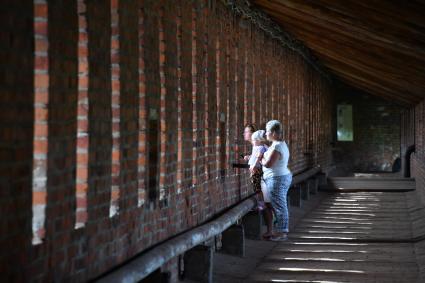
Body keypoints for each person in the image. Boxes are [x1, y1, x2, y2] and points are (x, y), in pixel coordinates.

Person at [261, 120, 292, 241]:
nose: (266, 134)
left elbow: (268, 164)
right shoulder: (277, 144)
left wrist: (261, 159)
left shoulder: (278, 146)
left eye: (267, 131)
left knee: (280, 206)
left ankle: (282, 233)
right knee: (278, 204)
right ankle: (276, 231)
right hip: (278, 177)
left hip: (277, 178)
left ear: (273, 132)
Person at [248, 130, 268, 211]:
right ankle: (260, 202)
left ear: (259, 140)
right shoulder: (257, 147)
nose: (252, 142)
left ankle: (261, 203)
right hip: (255, 169)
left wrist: (253, 165)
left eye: (254, 140)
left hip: (257, 169)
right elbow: (254, 156)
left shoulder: (261, 147)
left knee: (257, 187)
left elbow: (259, 157)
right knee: (256, 186)